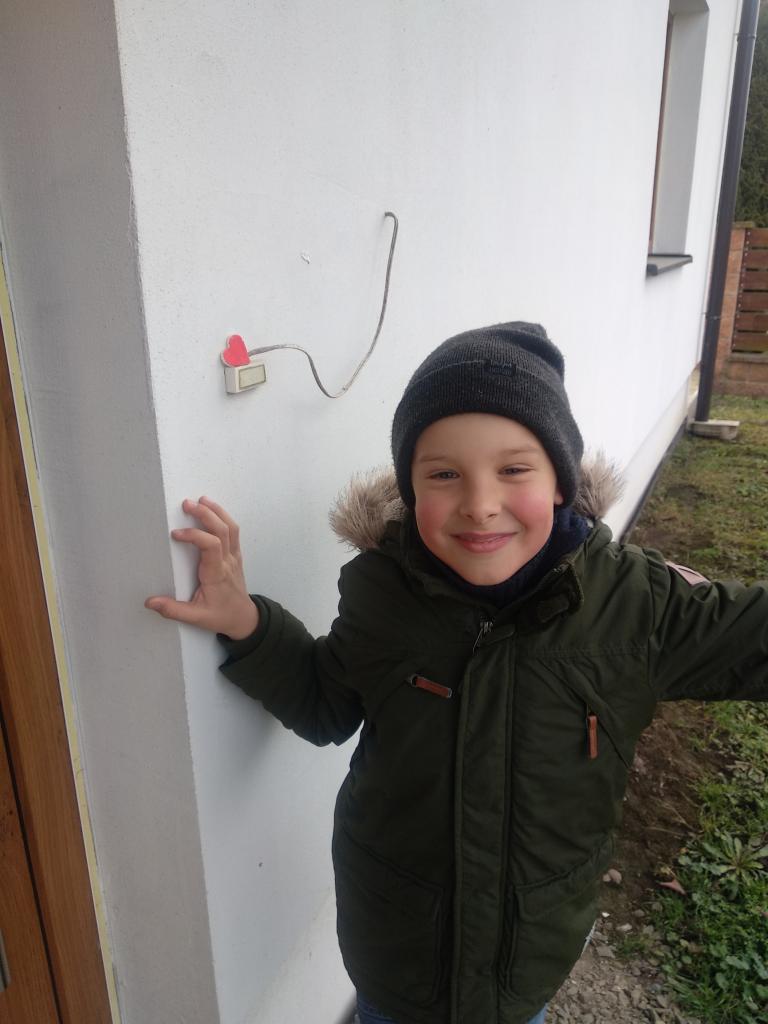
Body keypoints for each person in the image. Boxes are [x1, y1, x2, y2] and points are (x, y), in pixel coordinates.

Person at [145, 322, 768, 1024]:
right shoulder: (383, 592)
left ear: (560, 481)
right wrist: (244, 620)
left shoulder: (636, 605)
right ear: (411, 488)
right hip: (396, 953)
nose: (479, 503)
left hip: (525, 962)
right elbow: (326, 702)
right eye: (444, 474)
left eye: (514, 470)